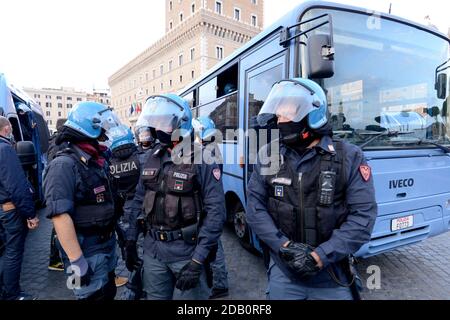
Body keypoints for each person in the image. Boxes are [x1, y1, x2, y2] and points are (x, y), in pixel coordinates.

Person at [246, 78, 377, 300]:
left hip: (332, 276)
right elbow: (255, 208)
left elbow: (363, 217)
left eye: (286, 113)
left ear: (312, 115)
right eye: (278, 114)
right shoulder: (269, 154)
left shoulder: (349, 156)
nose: (280, 120)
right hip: (284, 272)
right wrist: (284, 247)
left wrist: (320, 256)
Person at [124, 94, 226, 300]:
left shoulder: (202, 159)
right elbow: (138, 201)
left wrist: (198, 260)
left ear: (181, 123)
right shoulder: (153, 158)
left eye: (163, 122)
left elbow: (216, 212)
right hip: (154, 253)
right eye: (155, 122)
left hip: (187, 254)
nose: (157, 128)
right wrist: (131, 239)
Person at [43, 102, 122, 300]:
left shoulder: (94, 160)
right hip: (85, 251)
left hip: (105, 245)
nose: (105, 135)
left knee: (108, 293)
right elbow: (60, 216)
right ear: (91, 128)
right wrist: (77, 261)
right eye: (102, 129)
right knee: (90, 297)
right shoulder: (63, 165)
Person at [0, 116, 39, 300]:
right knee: (13, 253)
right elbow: (17, 186)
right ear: (6, 129)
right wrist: (30, 214)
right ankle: (12, 294)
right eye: (11, 129)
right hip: (10, 211)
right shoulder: (5, 149)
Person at [192, 116, 229, 299]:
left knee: (215, 245)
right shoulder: (212, 148)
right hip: (211, 201)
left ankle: (220, 285)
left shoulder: (207, 152)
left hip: (209, 204)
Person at [107, 125, 142, 291]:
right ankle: (140, 281)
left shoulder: (108, 163)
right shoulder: (140, 158)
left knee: (126, 243)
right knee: (141, 245)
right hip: (139, 205)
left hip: (120, 208)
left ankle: (135, 276)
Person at [47, 118, 67, 272]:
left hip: (55, 189)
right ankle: (55, 260)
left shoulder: (54, 142)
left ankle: (56, 259)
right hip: (59, 189)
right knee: (59, 227)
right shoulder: (60, 144)